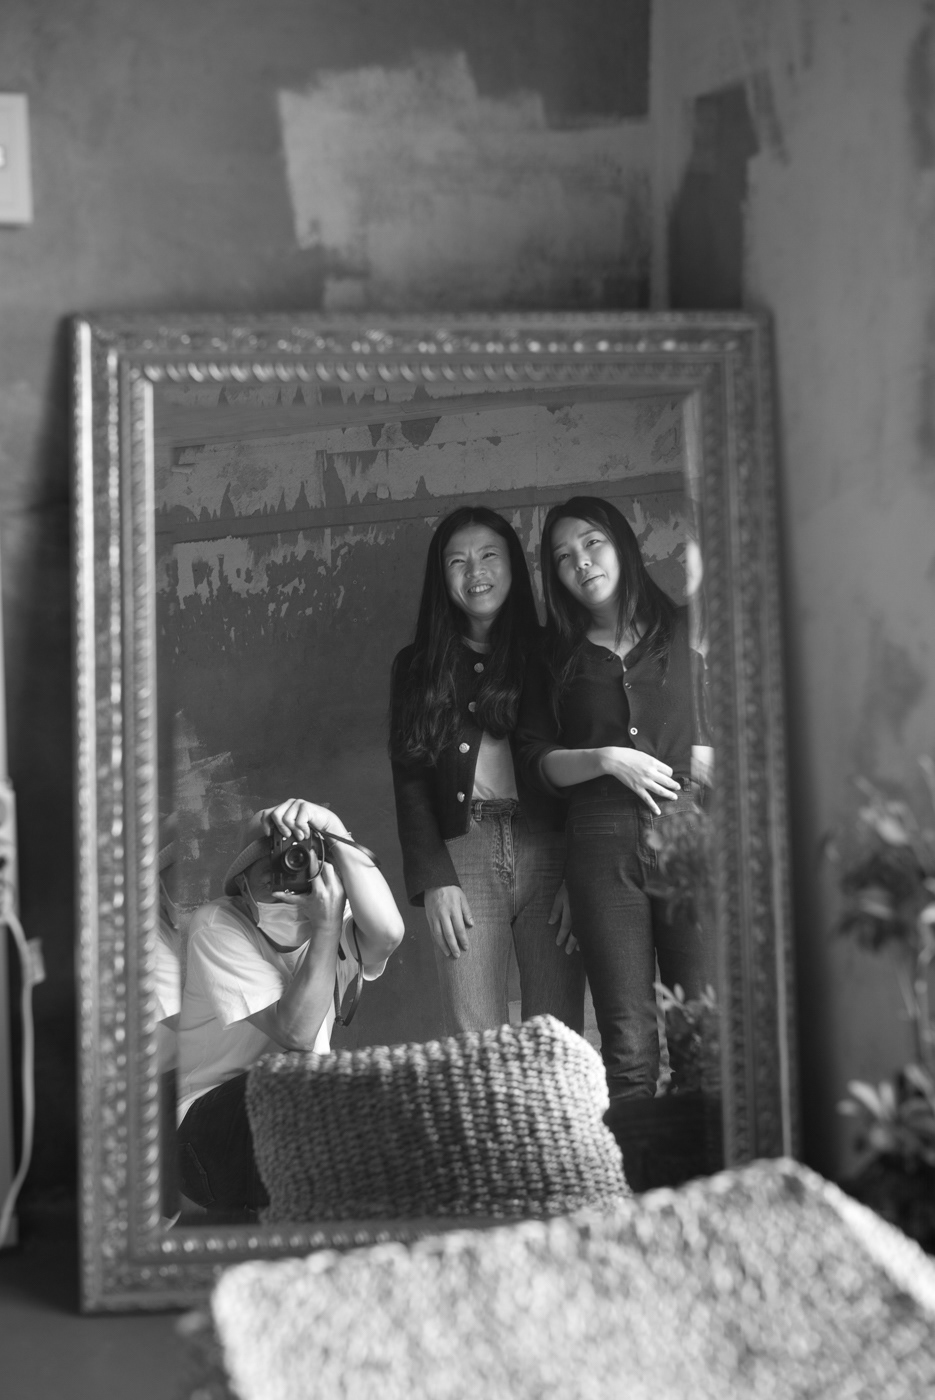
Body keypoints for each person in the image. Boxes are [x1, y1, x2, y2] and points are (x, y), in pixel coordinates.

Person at [517, 496, 713, 1102]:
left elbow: (744, 722)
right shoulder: (552, 655)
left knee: (702, 1038)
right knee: (628, 1049)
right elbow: (533, 757)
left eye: (592, 542)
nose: (581, 561)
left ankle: (699, 1163)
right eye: (563, 556)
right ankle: (639, 1165)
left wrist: (706, 760)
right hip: (598, 839)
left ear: (622, 544)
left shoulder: (684, 630)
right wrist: (606, 758)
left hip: (687, 834)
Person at [389, 505, 585, 1036]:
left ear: (513, 565)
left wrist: (580, 874)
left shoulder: (555, 652)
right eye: (458, 561)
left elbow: (583, 769)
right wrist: (434, 880)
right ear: (443, 577)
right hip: (465, 852)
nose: (475, 572)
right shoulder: (418, 666)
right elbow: (411, 781)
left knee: (556, 1036)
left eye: (489, 555)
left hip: (551, 849)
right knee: (475, 1039)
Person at [176, 796, 405, 1215]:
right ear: (242, 884)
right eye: (272, 866)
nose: (286, 877)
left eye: (299, 861)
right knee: (306, 1080)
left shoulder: (332, 918)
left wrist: (333, 827)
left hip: (299, 1113)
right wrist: (326, 925)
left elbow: (388, 934)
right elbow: (296, 1034)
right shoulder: (217, 923)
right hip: (202, 1136)